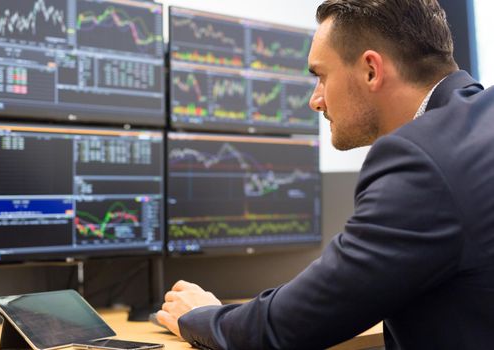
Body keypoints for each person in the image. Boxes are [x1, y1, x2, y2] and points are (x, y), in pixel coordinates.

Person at [157, 0, 494, 348]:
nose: (315, 100)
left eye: (320, 76)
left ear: (371, 71)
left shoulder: (421, 160)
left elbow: (289, 326)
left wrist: (201, 315)